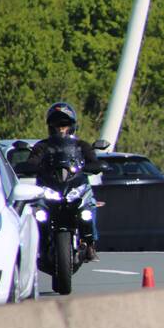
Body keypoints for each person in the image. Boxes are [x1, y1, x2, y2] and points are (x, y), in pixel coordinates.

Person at [20, 102, 104, 261]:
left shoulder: (81, 145)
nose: (61, 127)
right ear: (51, 126)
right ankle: (38, 244)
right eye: (57, 123)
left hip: (75, 186)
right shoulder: (42, 146)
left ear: (71, 125)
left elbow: (94, 161)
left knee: (90, 205)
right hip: (50, 187)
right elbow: (32, 162)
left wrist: (95, 166)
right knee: (37, 211)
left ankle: (90, 243)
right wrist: (28, 167)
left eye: (64, 124)